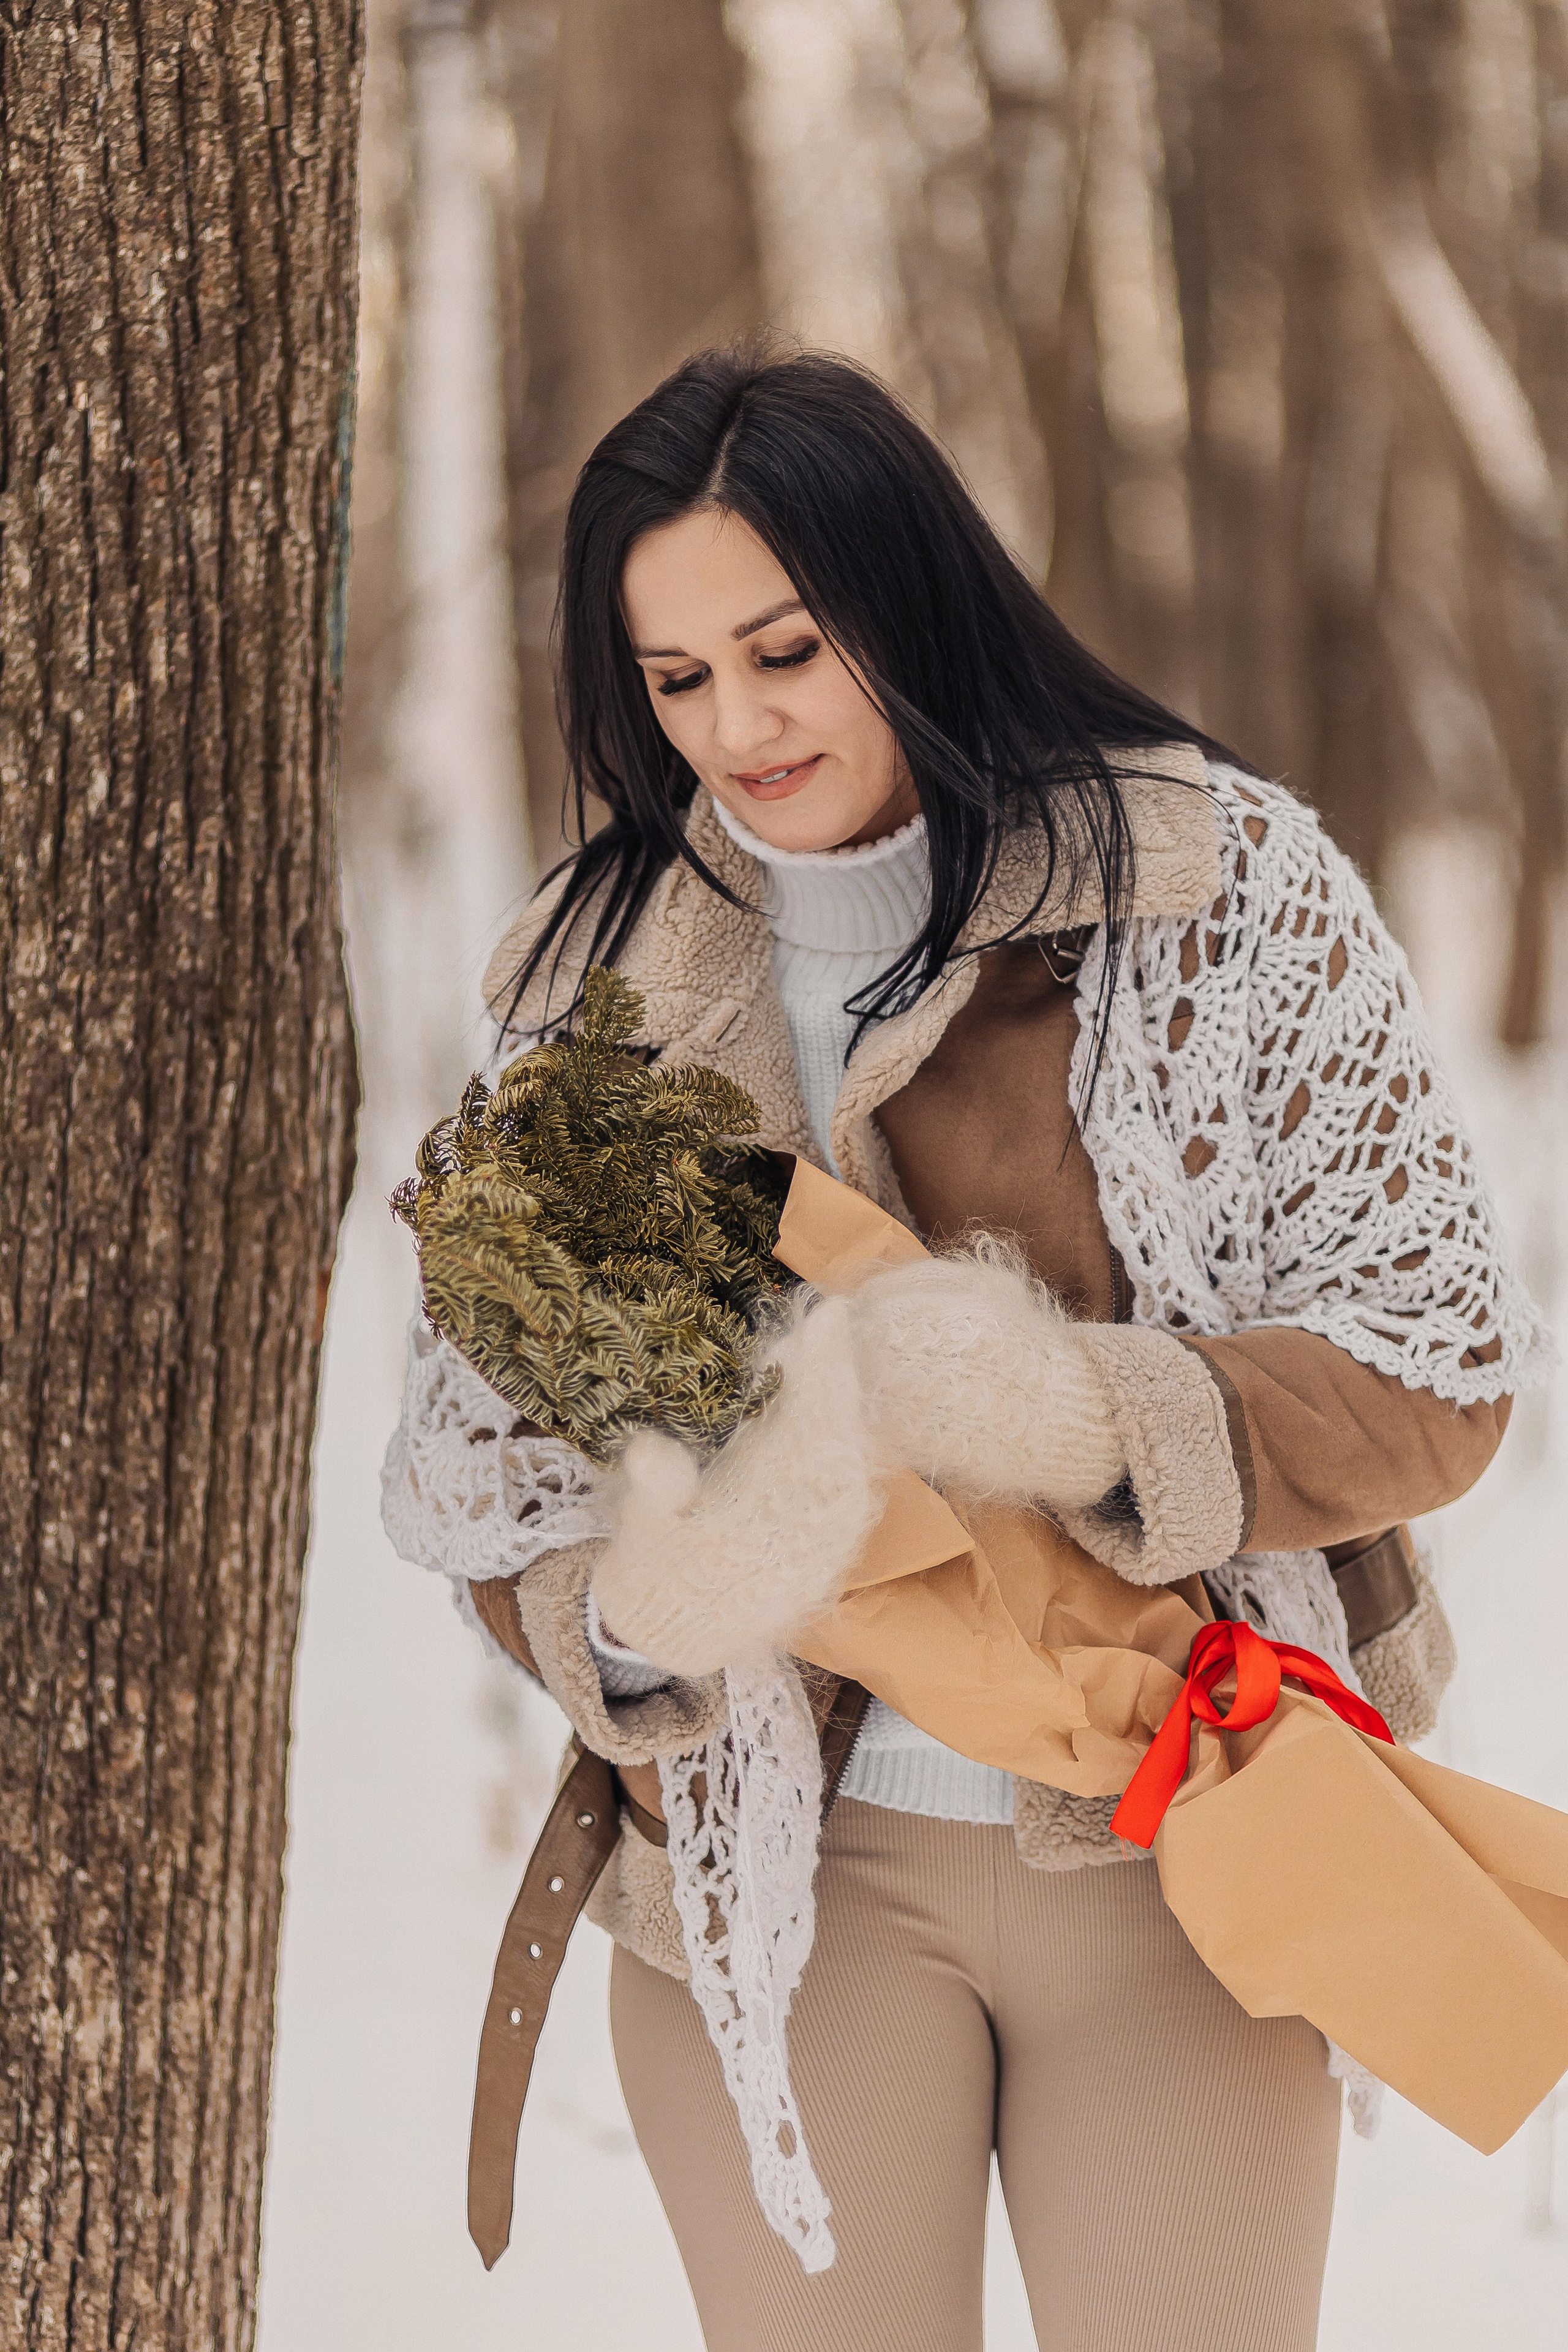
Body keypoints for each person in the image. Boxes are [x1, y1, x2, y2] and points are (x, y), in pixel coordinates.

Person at [382, 345, 1548, 2352]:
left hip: (1179, 1834)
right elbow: (485, 1479)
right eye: (676, 681)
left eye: (784, 649)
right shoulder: (593, 980)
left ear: (906, 597)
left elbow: (1442, 1360)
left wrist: (1080, 1408)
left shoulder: (1223, 890)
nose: (737, 726)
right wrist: (651, 1608)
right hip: (775, 1880)